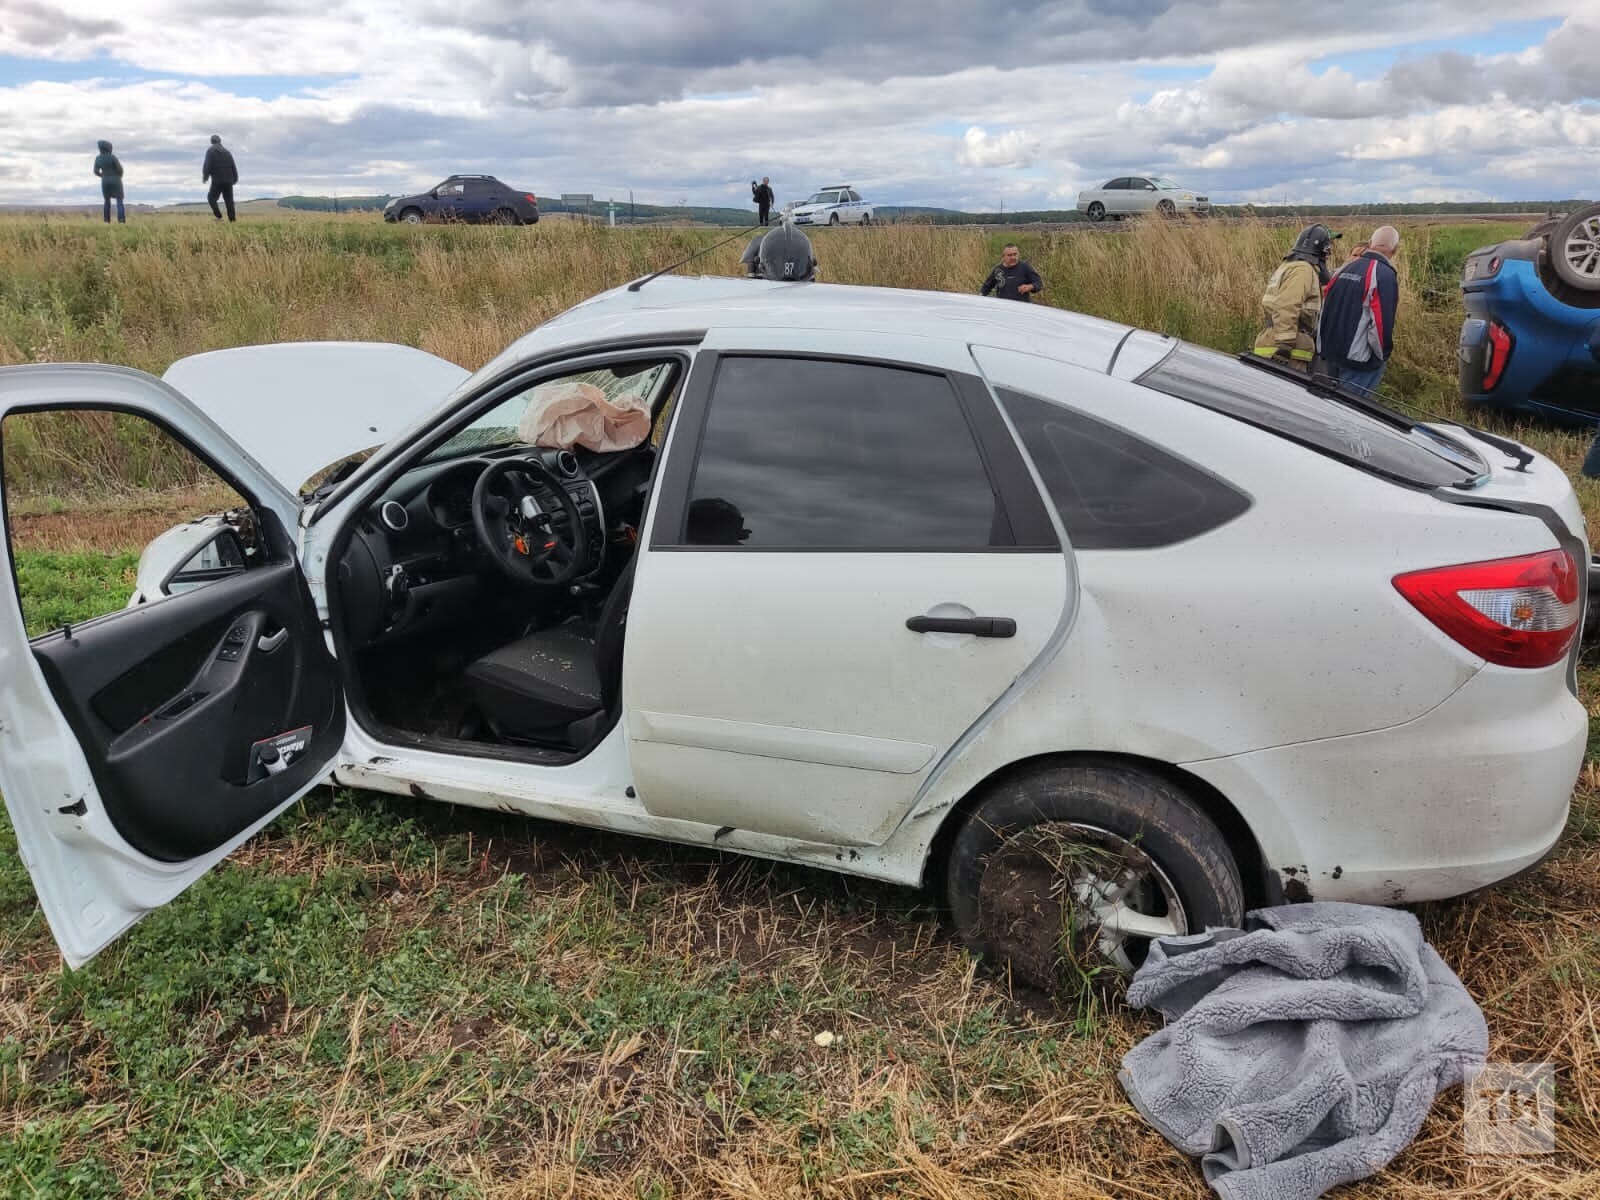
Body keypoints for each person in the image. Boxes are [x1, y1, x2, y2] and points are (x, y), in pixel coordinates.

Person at [1318, 226, 1401, 394]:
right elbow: (1381, 325)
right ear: (1395, 250)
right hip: (1358, 361)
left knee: (1330, 402)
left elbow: (1325, 306)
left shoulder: (1344, 269)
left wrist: (1322, 346)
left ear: (1370, 243)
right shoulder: (1384, 274)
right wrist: (1382, 356)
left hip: (1330, 352)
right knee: (1349, 406)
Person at [1252, 223, 1339, 370]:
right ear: (1322, 250)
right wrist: (1284, 346)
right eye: (1328, 248)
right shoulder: (1302, 270)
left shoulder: (1291, 266)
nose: (1329, 254)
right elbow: (1287, 305)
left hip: (1275, 343)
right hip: (1285, 352)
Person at [740, 219, 817, 281]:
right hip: (770, 276)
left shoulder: (799, 243)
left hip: (797, 277)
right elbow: (752, 271)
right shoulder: (760, 243)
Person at [202, 134, 239, 222]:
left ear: (211, 141)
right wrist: (235, 178)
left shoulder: (210, 151)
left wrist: (205, 177)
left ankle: (219, 217)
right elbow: (233, 166)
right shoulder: (227, 152)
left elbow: (207, 165)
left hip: (217, 180)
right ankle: (232, 220)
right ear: (220, 141)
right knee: (229, 201)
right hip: (229, 180)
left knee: (211, 198)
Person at [93, 140, 125, 224]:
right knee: (119, 201)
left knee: (107, 201)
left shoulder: (98, 158)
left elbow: (95, 171)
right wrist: (119, 176)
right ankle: (121, 221)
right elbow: (120, 169)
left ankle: (106, 221)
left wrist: (103, 176)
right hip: (116, 180)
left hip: (105, 181)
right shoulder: (112, 157)